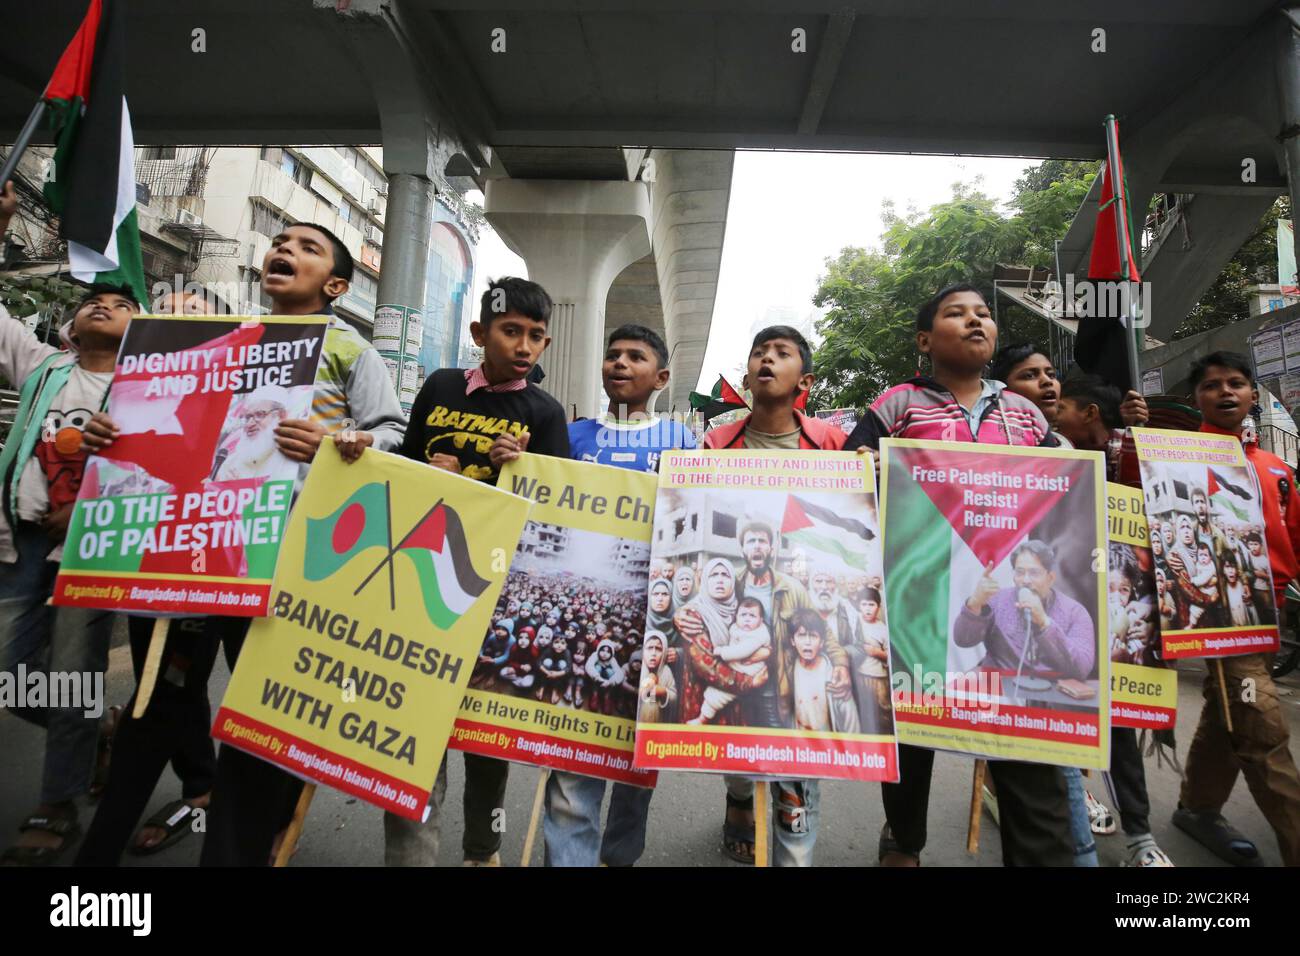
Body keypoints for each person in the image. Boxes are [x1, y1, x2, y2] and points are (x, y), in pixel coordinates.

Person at [77, 223, 406, 868]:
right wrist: (110, 435)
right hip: (192, 550)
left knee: (261, 715)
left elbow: (391, 430)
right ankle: (90, 874)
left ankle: (238, 848)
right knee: (157, 701)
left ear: (337, 285)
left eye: (309, 247)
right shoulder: (217, 340)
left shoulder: (348, 350)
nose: (286, 249)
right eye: (280, 240)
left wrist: (345, 445)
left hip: (285, 561)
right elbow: (161, 417)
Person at [844, 282, 1073, 867]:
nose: (975, 322)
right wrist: (864, 468)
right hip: (917, 595)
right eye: (956, 314)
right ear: (926, 340)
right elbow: (846, 476)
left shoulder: (1023, 413)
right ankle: (904, 838)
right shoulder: (898, 404)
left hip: (1009, 602)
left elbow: (1066, 486)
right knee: (914, 729)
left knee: (1024, 744)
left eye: (983, 315)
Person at [390, 276, 568, 867]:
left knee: (484, 735)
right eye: (510, 330)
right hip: (419, 580)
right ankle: (414, 854)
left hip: (498, 591)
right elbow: (403, 466)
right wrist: (426, 465)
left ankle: (482, 849)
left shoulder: (544, 413)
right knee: (414, 721)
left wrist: (525, 470)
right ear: (479, 333)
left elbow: (555, 510)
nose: (523, 345)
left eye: (535, 336)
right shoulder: (440, 386)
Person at [697, 325, 852, 866]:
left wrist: (870, 476)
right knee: (738, 734)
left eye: (781, 354)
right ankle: (738, 798)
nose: (768, 360)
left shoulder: (833, 443)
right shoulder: (717, 443)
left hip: (798, 623)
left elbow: (855, 514)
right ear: (746, 375)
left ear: (803, 380)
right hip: (741, 625)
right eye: (759, 352)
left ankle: (794, 855)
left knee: (798, 752)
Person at [542, 324, 695, 868]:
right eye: (612, 355)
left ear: (662, 376)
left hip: (653, 630)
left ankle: (618, 858)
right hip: (581, 629)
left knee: (637, 766)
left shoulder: (683, 442)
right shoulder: (571, 436)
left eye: (636, 356)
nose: (620, 364)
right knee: (572, 765)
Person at [0, 284, 137, 865]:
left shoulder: (148, 390)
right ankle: (97, 729)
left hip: (94, 547)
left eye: (123, 305)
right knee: (11, 672)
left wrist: (84, 508)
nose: (103, 306)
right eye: (92, 302)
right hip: (21, 543)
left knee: (73, 674)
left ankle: (58, 803)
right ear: (72, 327)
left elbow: (155, 470)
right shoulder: (42, 366)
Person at [1172, 351, 1300, 867]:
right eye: (1212, 385)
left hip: (1272, 612)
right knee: (1263, 727)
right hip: (1220, 613)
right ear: (1196, 398)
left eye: (1236, 383)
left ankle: (1198, 808)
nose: (1225, 392)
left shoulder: (1276, 469)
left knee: (1231, 711)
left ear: (1252, 394)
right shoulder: (1177, 459)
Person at [689, 595, 771, 724]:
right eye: (743, 615)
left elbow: (741, 651)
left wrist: (721, 651)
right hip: (736, 668)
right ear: (736, 617)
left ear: (761, 621)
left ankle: (701, 720)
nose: (747, 620)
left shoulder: (758, 635)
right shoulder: (736, 627)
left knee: (716, 697)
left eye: (752, 616)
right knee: (713, 693)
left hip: (748, 672)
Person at [789, 610, 860, 734]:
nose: (807, 642)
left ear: (822, 642)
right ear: (792, 641)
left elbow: (851, 725)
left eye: (813, 636)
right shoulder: (789, 671)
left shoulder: (834, 677)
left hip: (828, 747)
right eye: (801, 635)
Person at [213, 383, 293, 481]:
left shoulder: (291, 457)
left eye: (259, 415)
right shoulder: (230, 462)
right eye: (248, 417)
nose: (249, 424)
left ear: (281, 416)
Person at [850, 586, 892, 735]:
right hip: (858, 675)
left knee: (883, 711)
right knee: (862, 710)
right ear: (859, 605)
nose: (867, 609)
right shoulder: (853, 623)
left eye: (872, 605)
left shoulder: (882, 629)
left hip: (878, 678)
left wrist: (876, 652)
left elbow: (890, 655)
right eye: (864, 604)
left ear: (878, 607)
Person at [637, 631, 677, 724]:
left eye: (658, 649)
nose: (653, 653)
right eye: (649, 648)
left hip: (661, 717)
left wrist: (663, 691)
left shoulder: (666, 671)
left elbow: (674, 695)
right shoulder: (640, 668)